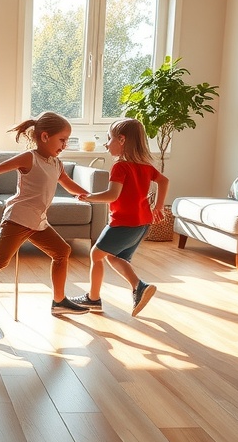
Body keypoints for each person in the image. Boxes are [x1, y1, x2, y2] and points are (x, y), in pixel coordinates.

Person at [0, 111, 91, 330]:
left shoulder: (56, 163)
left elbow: (68, 184)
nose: (65, 145)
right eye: (62, 140)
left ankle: (59, 301)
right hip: (18, 219)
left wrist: (91, 195)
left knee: (62, 251)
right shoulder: (29, 158)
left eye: (67, 140)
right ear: (45, 137)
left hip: (39, 222)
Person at [70, 117, 167, 317]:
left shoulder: (120, 167)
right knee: (116, 257)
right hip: (142, 223)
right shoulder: (145, 166)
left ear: (121, 140)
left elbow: (112, 195)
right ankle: (138, 287)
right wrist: (158, 207)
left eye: (109, 139)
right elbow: (164, 181)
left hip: (123, 222)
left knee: (96, 255)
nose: (106, 144)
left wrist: (89, 197)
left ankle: (94, 298)